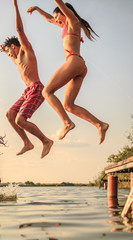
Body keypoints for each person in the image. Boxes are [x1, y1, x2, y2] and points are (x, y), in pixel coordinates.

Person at [27, 1, 109, 144]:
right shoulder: (65, 25)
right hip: (79, 66)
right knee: (68, 105)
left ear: (63, 12)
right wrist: (37, 9)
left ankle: (66, 123)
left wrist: (56, 6)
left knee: (46, 92)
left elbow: (61, 5)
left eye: (57, 15)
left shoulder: (72, 21)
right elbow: (49, 19)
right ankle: (100, 124)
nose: (56, 19)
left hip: (73, 61)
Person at [0, 0, 53, 158]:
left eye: (10, 52)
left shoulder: (25, 51)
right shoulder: (16, 59)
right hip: (28, 91)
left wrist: (15, 5)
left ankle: (46, 141)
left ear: (14, 47)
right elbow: (9, 54)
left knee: (20, 120)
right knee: (10, 115)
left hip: (37, 89)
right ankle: (27, 143)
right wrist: (3, 50)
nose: (10, 56)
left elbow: (19, 29)